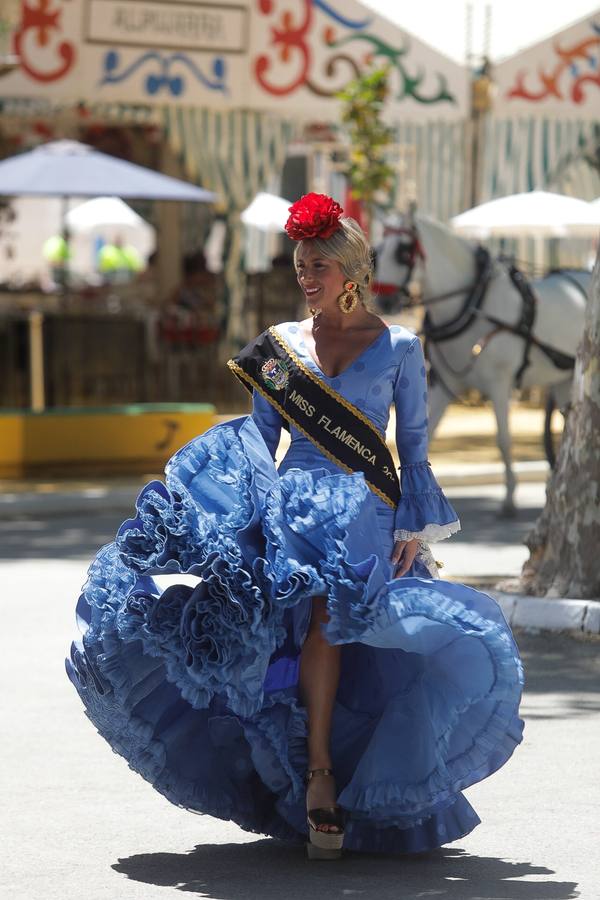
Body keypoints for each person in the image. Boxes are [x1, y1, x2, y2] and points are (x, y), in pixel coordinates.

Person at [66, 193, 523, 860]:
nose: (306, 278)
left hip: (366, 508)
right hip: (293, 506)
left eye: (317, 266)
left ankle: (334, 773)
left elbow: (415, 449)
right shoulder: (278, 349)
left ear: (352, 271)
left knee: (340, 627)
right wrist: (230, 510)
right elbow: (258, 439)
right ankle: (315, 774)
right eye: (300, 266)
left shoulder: (399, 348)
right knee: (303, 627)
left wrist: (411, 528)